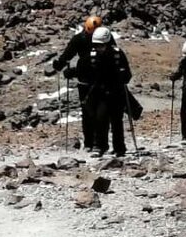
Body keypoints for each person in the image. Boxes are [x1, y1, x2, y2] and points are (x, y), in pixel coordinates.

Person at [52, 15, 106, 151]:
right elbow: (68, 54)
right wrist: (61, 64)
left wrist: (61, 66)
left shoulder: (80, 38)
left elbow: (67, 55)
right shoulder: (103, 39)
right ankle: (93, 143)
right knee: (92, 112)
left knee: (91, 112)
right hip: (92, 80)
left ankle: (93, 143)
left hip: (90, 80)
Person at [82, 26, 131, 157]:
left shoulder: (118, 55)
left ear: (107, 43)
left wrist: (123, 76)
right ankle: (100, 146)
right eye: (96, 45)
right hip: (100, 93)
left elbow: (128, 74)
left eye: (101, 45)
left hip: (116, 92)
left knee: (117, 121)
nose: (99, 48)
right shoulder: (91, 56)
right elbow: (83, 71)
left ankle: (119, 148)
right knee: (100, 119)